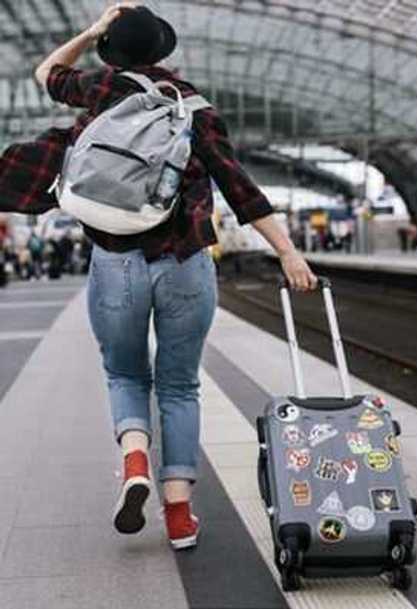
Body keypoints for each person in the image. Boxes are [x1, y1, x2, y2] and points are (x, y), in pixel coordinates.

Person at [0, 3, 318, 550]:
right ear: (161, 52)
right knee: (179, 386)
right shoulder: (195, 107)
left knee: (125, 375)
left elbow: (45, 71)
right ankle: (177, 515)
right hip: (186, 264)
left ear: (111, 52)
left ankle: (134, 461)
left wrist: (93, 29)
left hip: (115, 260)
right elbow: (240, 187)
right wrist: (289, 252)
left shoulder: (100, 91)